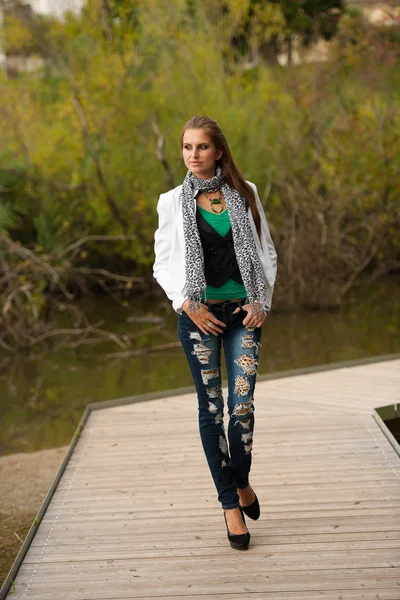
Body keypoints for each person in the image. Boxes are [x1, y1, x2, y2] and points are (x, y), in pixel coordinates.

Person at [153, 115, 277, 550]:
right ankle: (230, 504)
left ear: (218, 151)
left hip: (243, 313)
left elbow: (266, 252)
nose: (193, 155)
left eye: (201, 147)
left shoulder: (246, 193)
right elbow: (163, 264)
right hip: (199, 317)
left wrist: (262, 302)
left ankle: (241, 480)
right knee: (211, 410)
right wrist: (186, 303)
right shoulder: (171, 202)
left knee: (241, 406)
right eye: (186, 148)